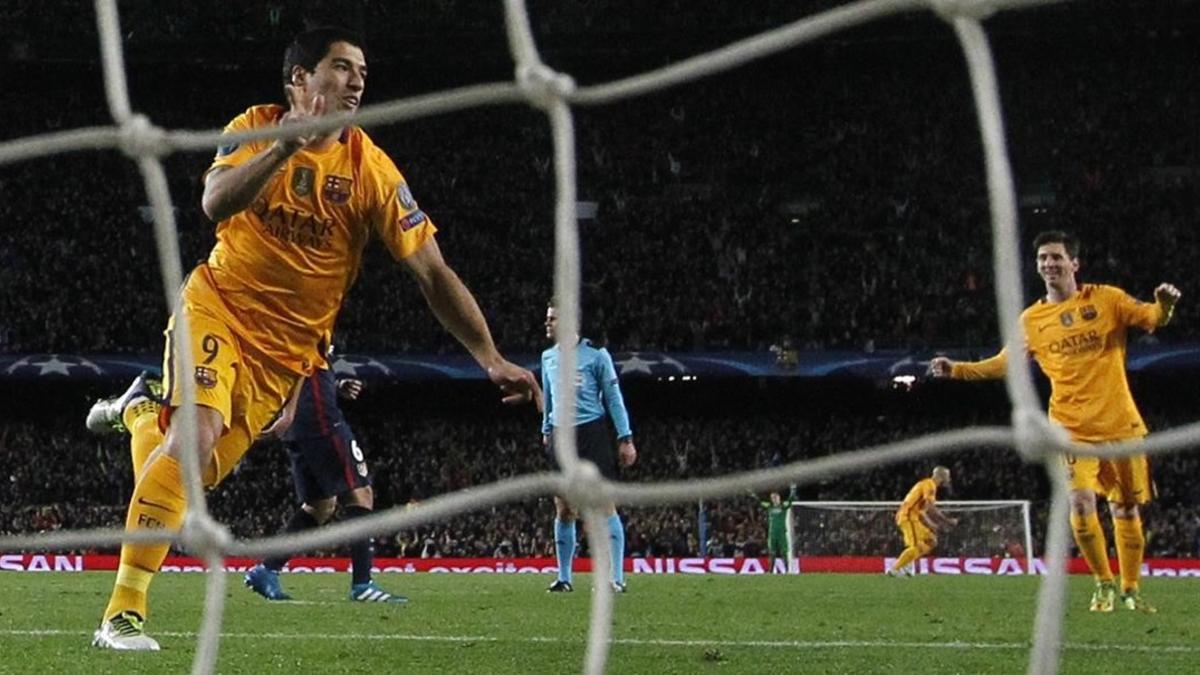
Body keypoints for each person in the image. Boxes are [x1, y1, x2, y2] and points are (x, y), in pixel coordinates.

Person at [89, 25, 539, 651]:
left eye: (361, 70)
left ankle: (139, 412)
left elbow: (434, 272)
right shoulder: (254, 123)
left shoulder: (371, 170)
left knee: (193, 478)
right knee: (192, 445)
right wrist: (280, 149)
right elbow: (215, 202)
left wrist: (489, 358)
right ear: (299, 80)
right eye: (340, 67)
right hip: (217, 307)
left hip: (286, 354)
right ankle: (122, 614)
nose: (357, 80)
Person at [930, 230, 1180, 612]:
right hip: (1069, 429)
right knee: (1080, 504)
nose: (1049, 264)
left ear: (1074, 263)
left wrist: (1165, 305)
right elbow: (1003, 363)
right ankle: (1103, 584)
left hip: (1122, 426)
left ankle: (1131, 590)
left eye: (1056, 257)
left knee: (1126, 509)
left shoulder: (1107, 299)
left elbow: (1150, 316)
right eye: (1043, 258)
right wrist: (957, 370)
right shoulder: (1032, 319)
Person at [242, 352, 404, 604]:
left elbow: (310, 369)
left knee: (320, 505)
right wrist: (288, 412)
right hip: (319, 419)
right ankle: (362, 584)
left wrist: (336, 385)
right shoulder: (309, 316)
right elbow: (298, 361)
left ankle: (267, 570)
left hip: (302, 422)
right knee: (360, 493)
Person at [541, 301, 637, 593]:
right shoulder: (548, 357)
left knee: (603, 504)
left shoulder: (596, 355)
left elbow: (613, 397)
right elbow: (549, 396)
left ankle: (616, 578)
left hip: (591, 434)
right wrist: (546, 429)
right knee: (564, 507)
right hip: (560, 435)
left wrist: (626, 437)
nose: (547, 323)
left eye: (552, 319)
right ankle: (564, 578)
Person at [887, 465, 956, 576]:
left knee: (931, 541)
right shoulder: (930, 486)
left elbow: (922, 511)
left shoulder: (926, 484)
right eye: (947, 476)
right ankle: (895, 569)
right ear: (941, 476)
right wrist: (947, 521)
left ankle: (906, 566)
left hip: (912, 517)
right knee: (915, 547)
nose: (949, 479)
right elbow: (931, 507)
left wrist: (930, 523)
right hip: (908, 517)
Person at [753, 489, 796, 573]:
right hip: (772, 533)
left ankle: (787, 570)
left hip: (782, 533)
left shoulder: (783, 506)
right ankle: (771, 570)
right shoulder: (769, 506)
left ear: (779, 498)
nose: (774, 499)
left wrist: (793, 491)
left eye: (775, 497)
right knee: (772, 552)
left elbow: (790, 500)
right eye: (772, 498)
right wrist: (754, 495)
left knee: (784, 551)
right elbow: (760, 502)